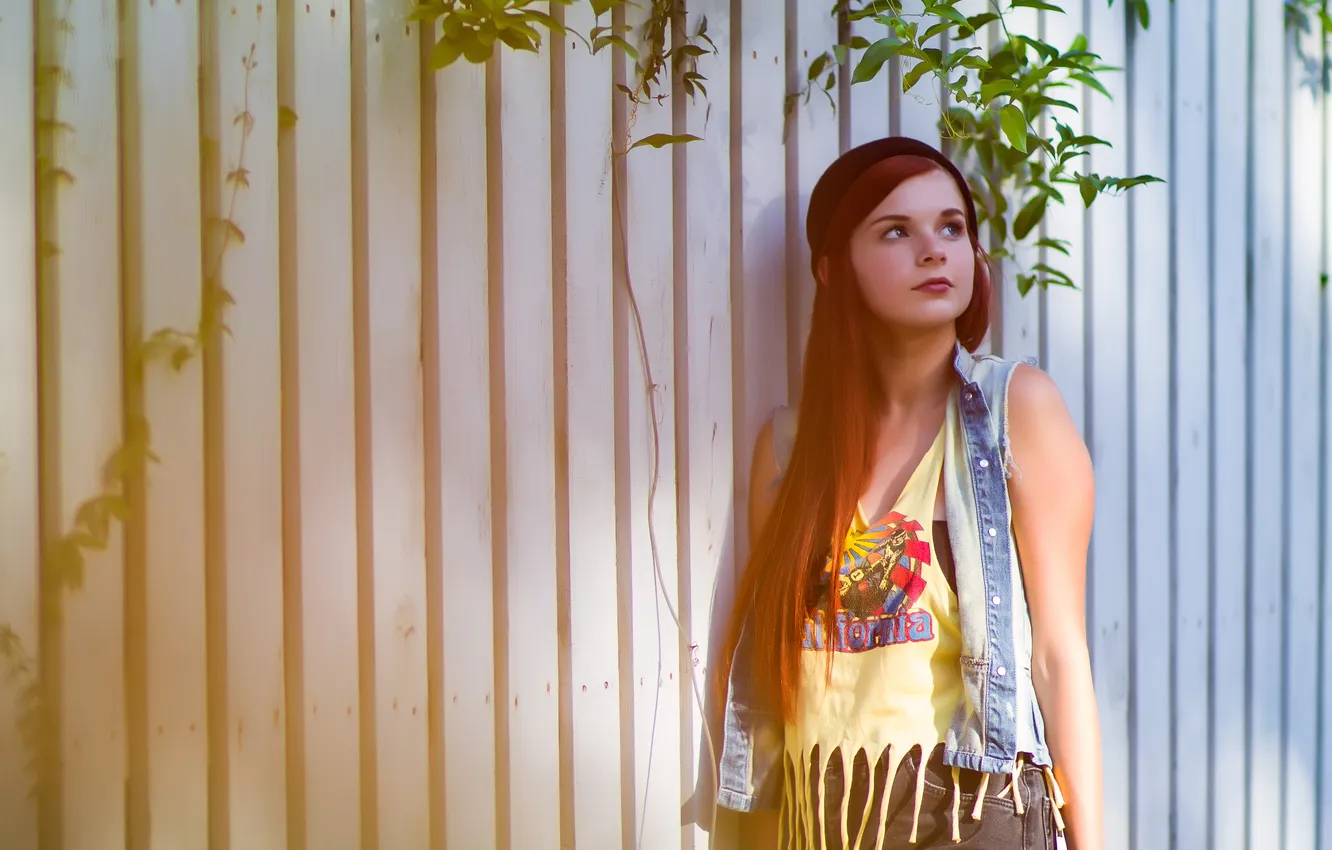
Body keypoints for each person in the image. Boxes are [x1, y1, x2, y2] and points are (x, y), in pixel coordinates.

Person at [713, 137, 1102, 849]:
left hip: (970, 813)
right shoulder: (789, 449)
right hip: (821, 815)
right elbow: (773, 677)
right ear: (833, 269)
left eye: (951, 227)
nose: (934, 250)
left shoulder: (1018, 409)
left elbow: (1058, 652)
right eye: (897, 231)